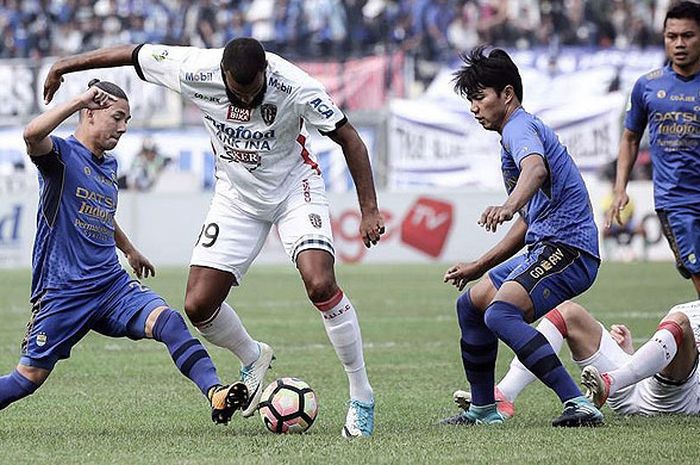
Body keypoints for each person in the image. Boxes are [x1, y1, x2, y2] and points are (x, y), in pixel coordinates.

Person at [43, 37, 385, 437]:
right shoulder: (193, 68)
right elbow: (131, 54)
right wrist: (67, 64)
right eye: (238, 94)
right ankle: (252, 356)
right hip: (236, 197)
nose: (246, 102)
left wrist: (369, 209)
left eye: (255, 92)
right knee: (198, 304)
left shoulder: (295, 85)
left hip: (294, 188)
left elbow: (350, 139)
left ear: (265, 75)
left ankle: (361, 395)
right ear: (223, 75)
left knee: (320, 282)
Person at [0, 80, 248, 424]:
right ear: (90, 114)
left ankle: (216, 393)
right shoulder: (60, 158)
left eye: (127, 119)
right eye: (117, 117)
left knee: (169, 321)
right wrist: (77, 100)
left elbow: (102, 211)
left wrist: (129, 249)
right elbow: (30, 135)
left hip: (111, 286)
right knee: (26, 380)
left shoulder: (109, 166)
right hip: (64, 292)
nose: (123, 127)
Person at [442, 45, 603, 427]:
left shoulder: (520, 127)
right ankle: (483, 408)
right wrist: (478, 265)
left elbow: (536, 171)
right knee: (472, 303)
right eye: (471, 100)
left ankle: (578, 402)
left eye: (480, 97)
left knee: (500, 312)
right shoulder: (512, 134)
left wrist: (509, 204)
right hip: (547, 245)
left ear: (507, 94)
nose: (474, 108)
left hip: (571, 249)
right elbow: (529, 223)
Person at [451, 299, 700, 417]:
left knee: (679, 322)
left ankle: (608, 383)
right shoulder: (689, 304)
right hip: (632, 383)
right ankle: (504, 394)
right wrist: (629, 352)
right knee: (567, 312)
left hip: (675, 396)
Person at [606, 2, 700, 297]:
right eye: (672, 36)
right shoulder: (647, 86)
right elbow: (630, 138)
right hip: (677, 201)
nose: (679, 44)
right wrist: (620, 188)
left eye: (688, 35)